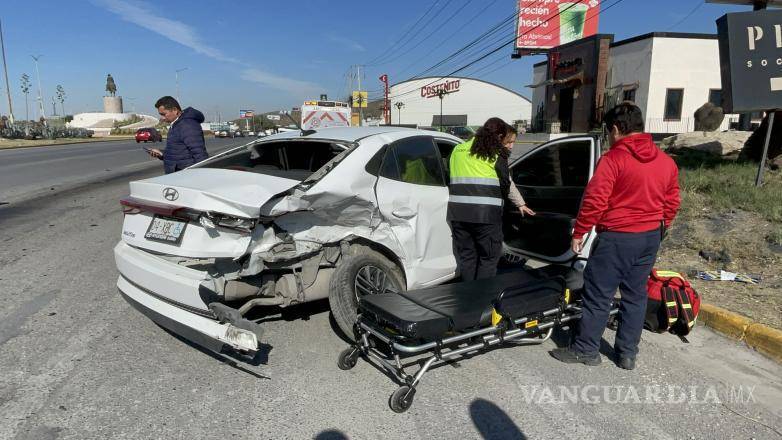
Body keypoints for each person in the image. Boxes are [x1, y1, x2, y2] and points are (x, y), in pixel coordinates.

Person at [549, 103, 681, 370]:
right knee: (635, 295)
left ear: (617, 129)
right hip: (649, 236)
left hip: (618, 237)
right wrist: (661, 227)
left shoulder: (613, 160)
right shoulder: (666, 162)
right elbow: (672, 202)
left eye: (609, 131)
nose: (609, 136)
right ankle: (627, 354)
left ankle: (586, 349)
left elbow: (595, 199)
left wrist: (580, 231)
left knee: (599, 294)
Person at [447, 117, 536, 281]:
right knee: (488, 258)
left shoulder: (457, 150)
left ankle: (467, 296)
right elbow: (505, 184)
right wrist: (517, 203)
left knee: (467, 258)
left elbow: (451, 176)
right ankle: (481, 301)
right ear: (499, 135)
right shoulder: (495, 154)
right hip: (485, 216)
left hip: (458, 215)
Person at [147, 96, 208, 174]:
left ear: (175, 110)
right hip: (177, 174)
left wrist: (202, 176)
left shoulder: (187, 125)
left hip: (186, 175)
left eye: (164, 114)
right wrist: (161, 154)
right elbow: (179, 152)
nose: (162, 118)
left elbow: (200, 155)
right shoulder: (176, 124)